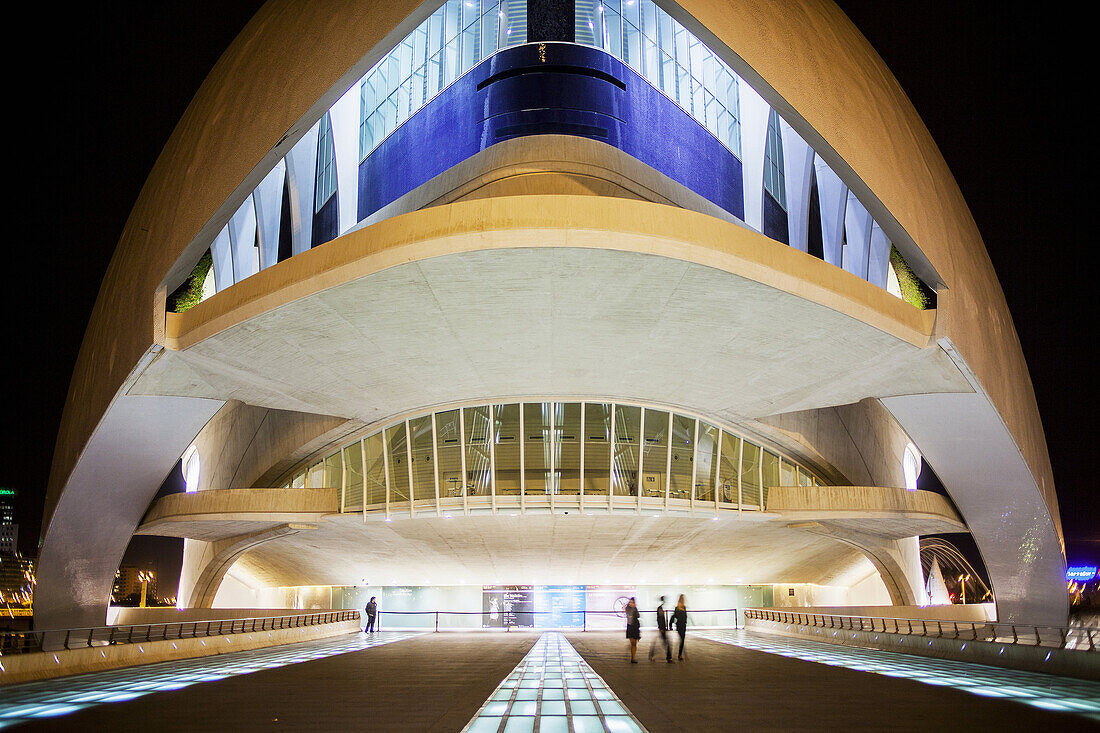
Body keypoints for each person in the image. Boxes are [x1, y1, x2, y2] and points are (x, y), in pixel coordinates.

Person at [649, 595, 672, 662]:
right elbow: (660, 618)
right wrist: (661, 627)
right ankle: (668, 657)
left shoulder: (660, 608)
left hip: (662, 628)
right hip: (662, 628)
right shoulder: (660, 608)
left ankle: (652, 655)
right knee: (665, 643)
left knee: (663, 642)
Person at [670, 594, 687, 660]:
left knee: (682, 640)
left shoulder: (684, 607)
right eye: (682, 599)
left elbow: (685, 616)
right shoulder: (677, 608)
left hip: (683, 625)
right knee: (681, 639)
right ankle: (679, 654)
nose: (683, 600)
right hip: (679, 625)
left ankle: (680, 654)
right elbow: (674, 616)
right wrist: (671, 624)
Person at [624, 597, 641, 663]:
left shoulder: (635, 609)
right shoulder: (628, 609)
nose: (631, 603)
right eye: (630, 602)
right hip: (630, 627)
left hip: (635, 627)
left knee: (634, 643)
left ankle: (633, 658)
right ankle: (632, 657)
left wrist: (635, 608)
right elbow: (630, 616)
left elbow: (638, 615)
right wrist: (633, 608)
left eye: (633, 602)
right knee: (633, 642)